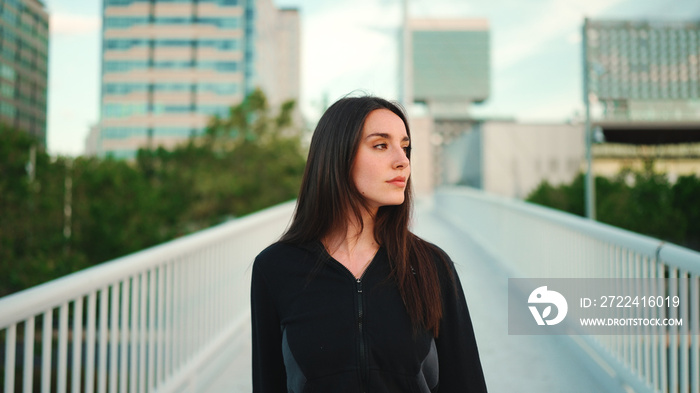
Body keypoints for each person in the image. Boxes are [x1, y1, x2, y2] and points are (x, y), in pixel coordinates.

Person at [250, 95, 487, 392]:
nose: (402, 162)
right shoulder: (276, 268)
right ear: (338, 155)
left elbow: (466, 384)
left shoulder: (432, 265)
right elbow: (267, 382)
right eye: (380, 145)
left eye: (405, 147)